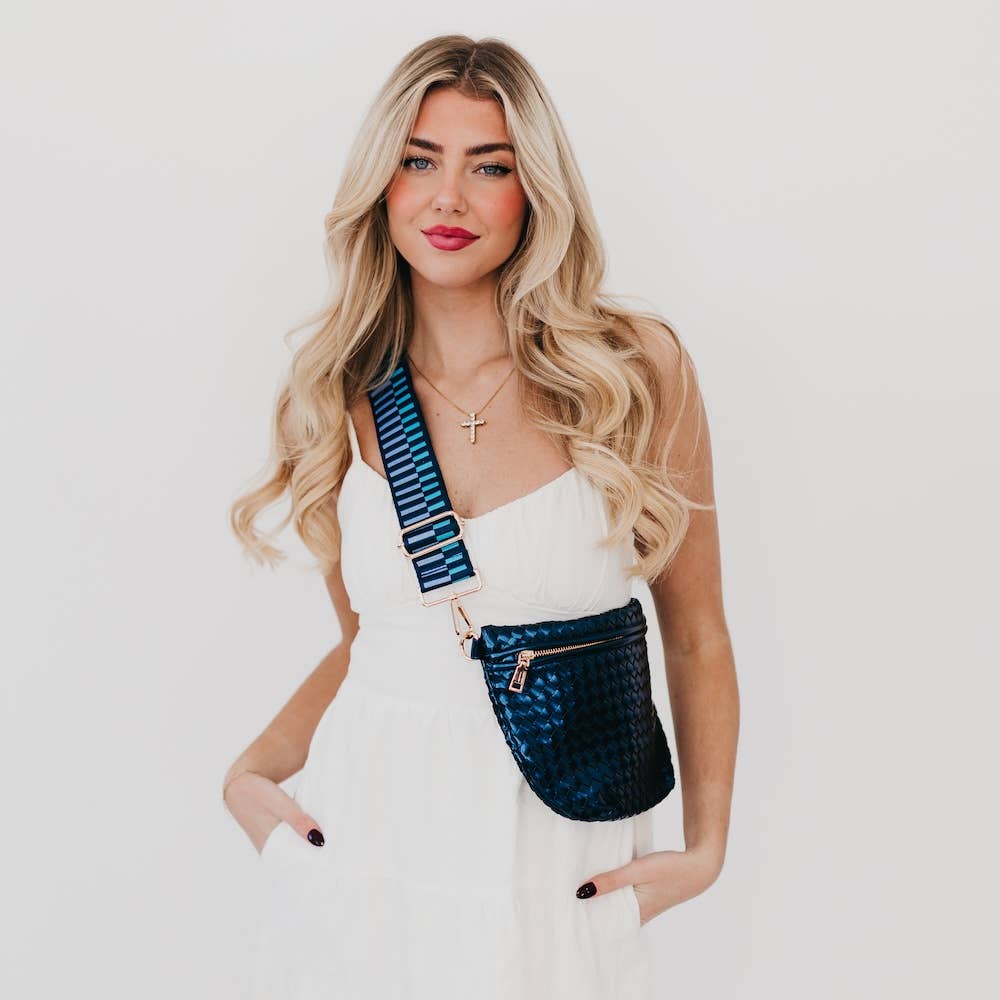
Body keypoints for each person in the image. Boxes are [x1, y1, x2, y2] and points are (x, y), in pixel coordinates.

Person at [225, 33, 738, 1000]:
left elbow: (697, 635)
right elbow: (374, 643)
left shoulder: (631, 373)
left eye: (488, 166)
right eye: (419, 161)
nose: (448, 198)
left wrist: (707, 847)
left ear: (535, 188)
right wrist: (249, 773)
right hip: (366, 853)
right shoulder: (340, 391)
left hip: (551, 863)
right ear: (381, 187)